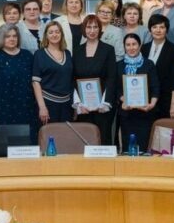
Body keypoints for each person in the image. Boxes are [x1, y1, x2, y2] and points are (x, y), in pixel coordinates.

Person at [0, 24, 39, 143]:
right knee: (4, 149)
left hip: (27, 111)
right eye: (7, 36)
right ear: (1, 38)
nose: (12, 39)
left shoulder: (27, 56)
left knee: (28, 148)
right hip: (2, 112)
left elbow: (35, 82)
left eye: (14, 36)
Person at [73, 15, 117, 144]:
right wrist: (79, 104)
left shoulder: (108, 49)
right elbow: (73, 78)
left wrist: (104, 103)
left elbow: (112, 77)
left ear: (100, 29)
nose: (92, 31)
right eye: (88, 27)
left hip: (102, 107)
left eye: (95, 27)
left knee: (103, 138)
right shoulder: (77, 51)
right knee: (84, 140)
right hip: (83, 106)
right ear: (84, 29)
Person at [117, 33, 159, 153]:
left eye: (134, 44)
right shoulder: (119, 65)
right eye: (128, 45)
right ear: (124, 47)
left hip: (145, 113)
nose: (131, 47)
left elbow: (155, 86)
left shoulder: (149, 64)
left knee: (144, 147)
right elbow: (116, 88)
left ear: (140, 45)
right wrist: (123, 99)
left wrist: (152, 104)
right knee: (127, 148)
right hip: (126, 113)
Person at [32, 21, 74, 124]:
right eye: (51, 32)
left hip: (66, 104)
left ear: (61, 34)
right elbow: (35, 82)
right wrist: (42, 107)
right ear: (46, 35)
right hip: (48, 103)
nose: (54, 35)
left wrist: (74, 104)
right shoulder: (39, 54)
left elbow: (71, 80)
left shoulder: (67, 53)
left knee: (65, 137)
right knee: (49, 137)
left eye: (57, 32)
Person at [141, 14, 174, 119]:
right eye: (154, 27)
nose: (158, 30)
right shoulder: (144, 49)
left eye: (162, 27)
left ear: (166, 30)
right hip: (146, 99)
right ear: (150, 29)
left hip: (166, 100)